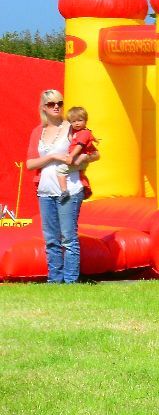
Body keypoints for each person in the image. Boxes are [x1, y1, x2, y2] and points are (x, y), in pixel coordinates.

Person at [24, 90, 92, 283]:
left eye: (60, 103)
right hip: (45, 191)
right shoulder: (38, 131)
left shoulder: (73, 128)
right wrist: (53, 156)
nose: (56, 107)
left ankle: (70, 281)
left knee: (68, 238)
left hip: (70, 190)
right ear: (43, 107)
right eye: (51, 103)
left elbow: (93, 154)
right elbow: (30, 164)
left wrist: (80, 161)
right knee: (51, 239)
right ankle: (55, 280)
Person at [65, 106, 97, 199]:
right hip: (78, 155)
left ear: (85, 121)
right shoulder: (76, 132)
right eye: (74, 121)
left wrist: (71, 156)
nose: (77, 123)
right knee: (80, 172)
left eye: (79, 120)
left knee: (74, 170)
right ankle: (85, 187)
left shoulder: (84, 132)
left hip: (81, 155)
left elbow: (80, 145)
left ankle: (85, 187)